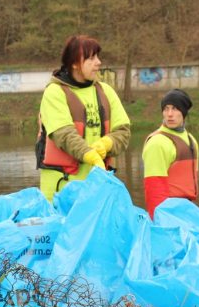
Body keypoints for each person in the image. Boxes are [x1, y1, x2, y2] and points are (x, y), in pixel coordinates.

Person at [35, 35, 130, 201]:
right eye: (91, 58)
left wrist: (107, 143)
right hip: (61, 190)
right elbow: (64, 135)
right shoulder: (54, 92)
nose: (98, 62)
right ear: (74, 63)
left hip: (97, 188)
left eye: (98, 57)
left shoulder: (106, 91)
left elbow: (123, 132)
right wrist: (91, 155)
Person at [141, 89, 198, 219]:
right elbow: (154, 190)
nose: (170, 114)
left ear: (184, 112)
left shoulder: (191, 140)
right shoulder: (157, 143)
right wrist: (159, 222)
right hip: (168, 215)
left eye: (175, 109)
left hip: (187, 211)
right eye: (166, 109)